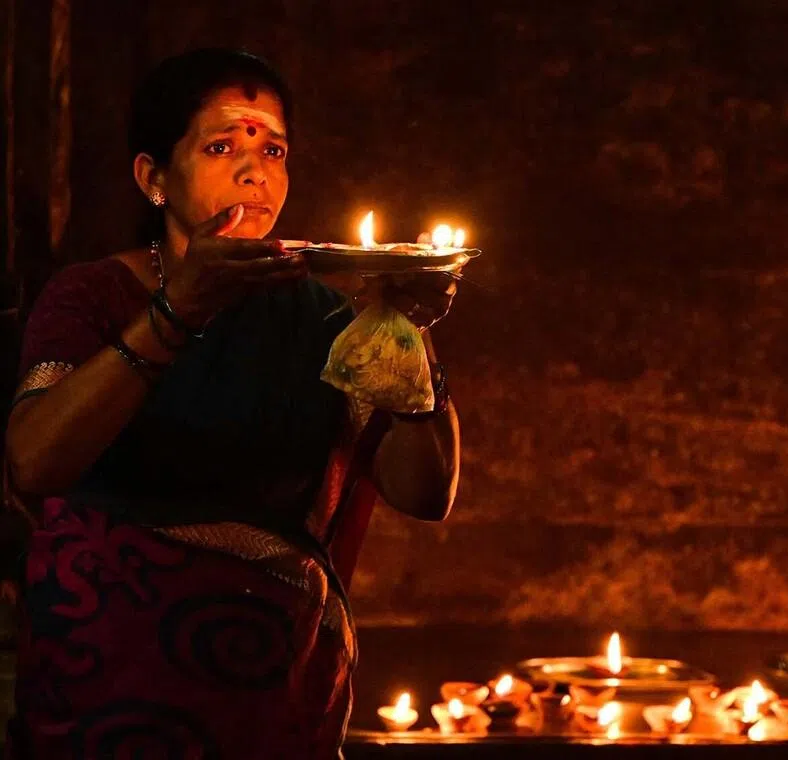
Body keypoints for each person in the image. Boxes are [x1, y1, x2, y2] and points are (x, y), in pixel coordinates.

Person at [2, 48, 460, 758]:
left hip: (275, 698)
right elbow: (33, 460)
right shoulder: (94, 297)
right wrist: (177, 311)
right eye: (222, 147)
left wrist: (409, 342)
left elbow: (425, 492)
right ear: (154, 178)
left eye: (273, 150)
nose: (256, 170)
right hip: (107, 690)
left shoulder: (324, 316)